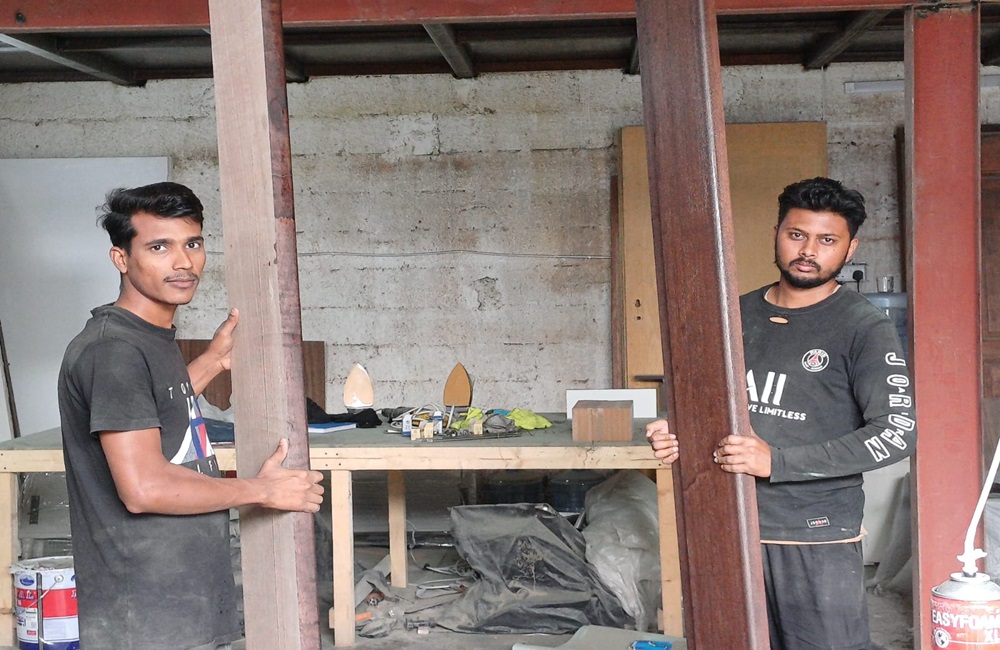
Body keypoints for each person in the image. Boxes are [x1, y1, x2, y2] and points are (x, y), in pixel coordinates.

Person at [646, 177, 916, 650]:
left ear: (850, 249)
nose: (808, 251)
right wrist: (676, 427)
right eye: (797, 235)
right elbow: (698, 399)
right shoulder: (730, 316)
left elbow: (897, 433)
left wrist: (778, 462)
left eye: (827, 240)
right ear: (776, 234)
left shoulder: (863, 327)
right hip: (724, 522)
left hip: (815, 534)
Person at [57, 182, 325, 650]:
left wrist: (214, 362)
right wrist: (262, 491)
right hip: (146, 615)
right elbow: (144, 488)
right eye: (159, 247)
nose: (183, 262)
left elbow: (161, 404)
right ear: (121, 258)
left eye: (193, 244)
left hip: (180, 599)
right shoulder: (113, 351)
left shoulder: (146, 338)